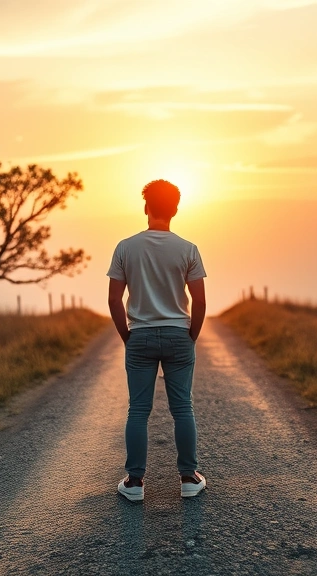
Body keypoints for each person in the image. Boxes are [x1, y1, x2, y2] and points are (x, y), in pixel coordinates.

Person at [107, 179, 207, 502]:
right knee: (182, 408)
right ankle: (189, 478)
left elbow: (113, 299)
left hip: (140, 336)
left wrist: (127, 337)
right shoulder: (188, 249)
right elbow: (200, 301)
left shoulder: (125, 247)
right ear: (176, 209)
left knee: (138, 410)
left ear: (146, 207)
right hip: (179, 334)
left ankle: (135, 483)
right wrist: (190, 337)